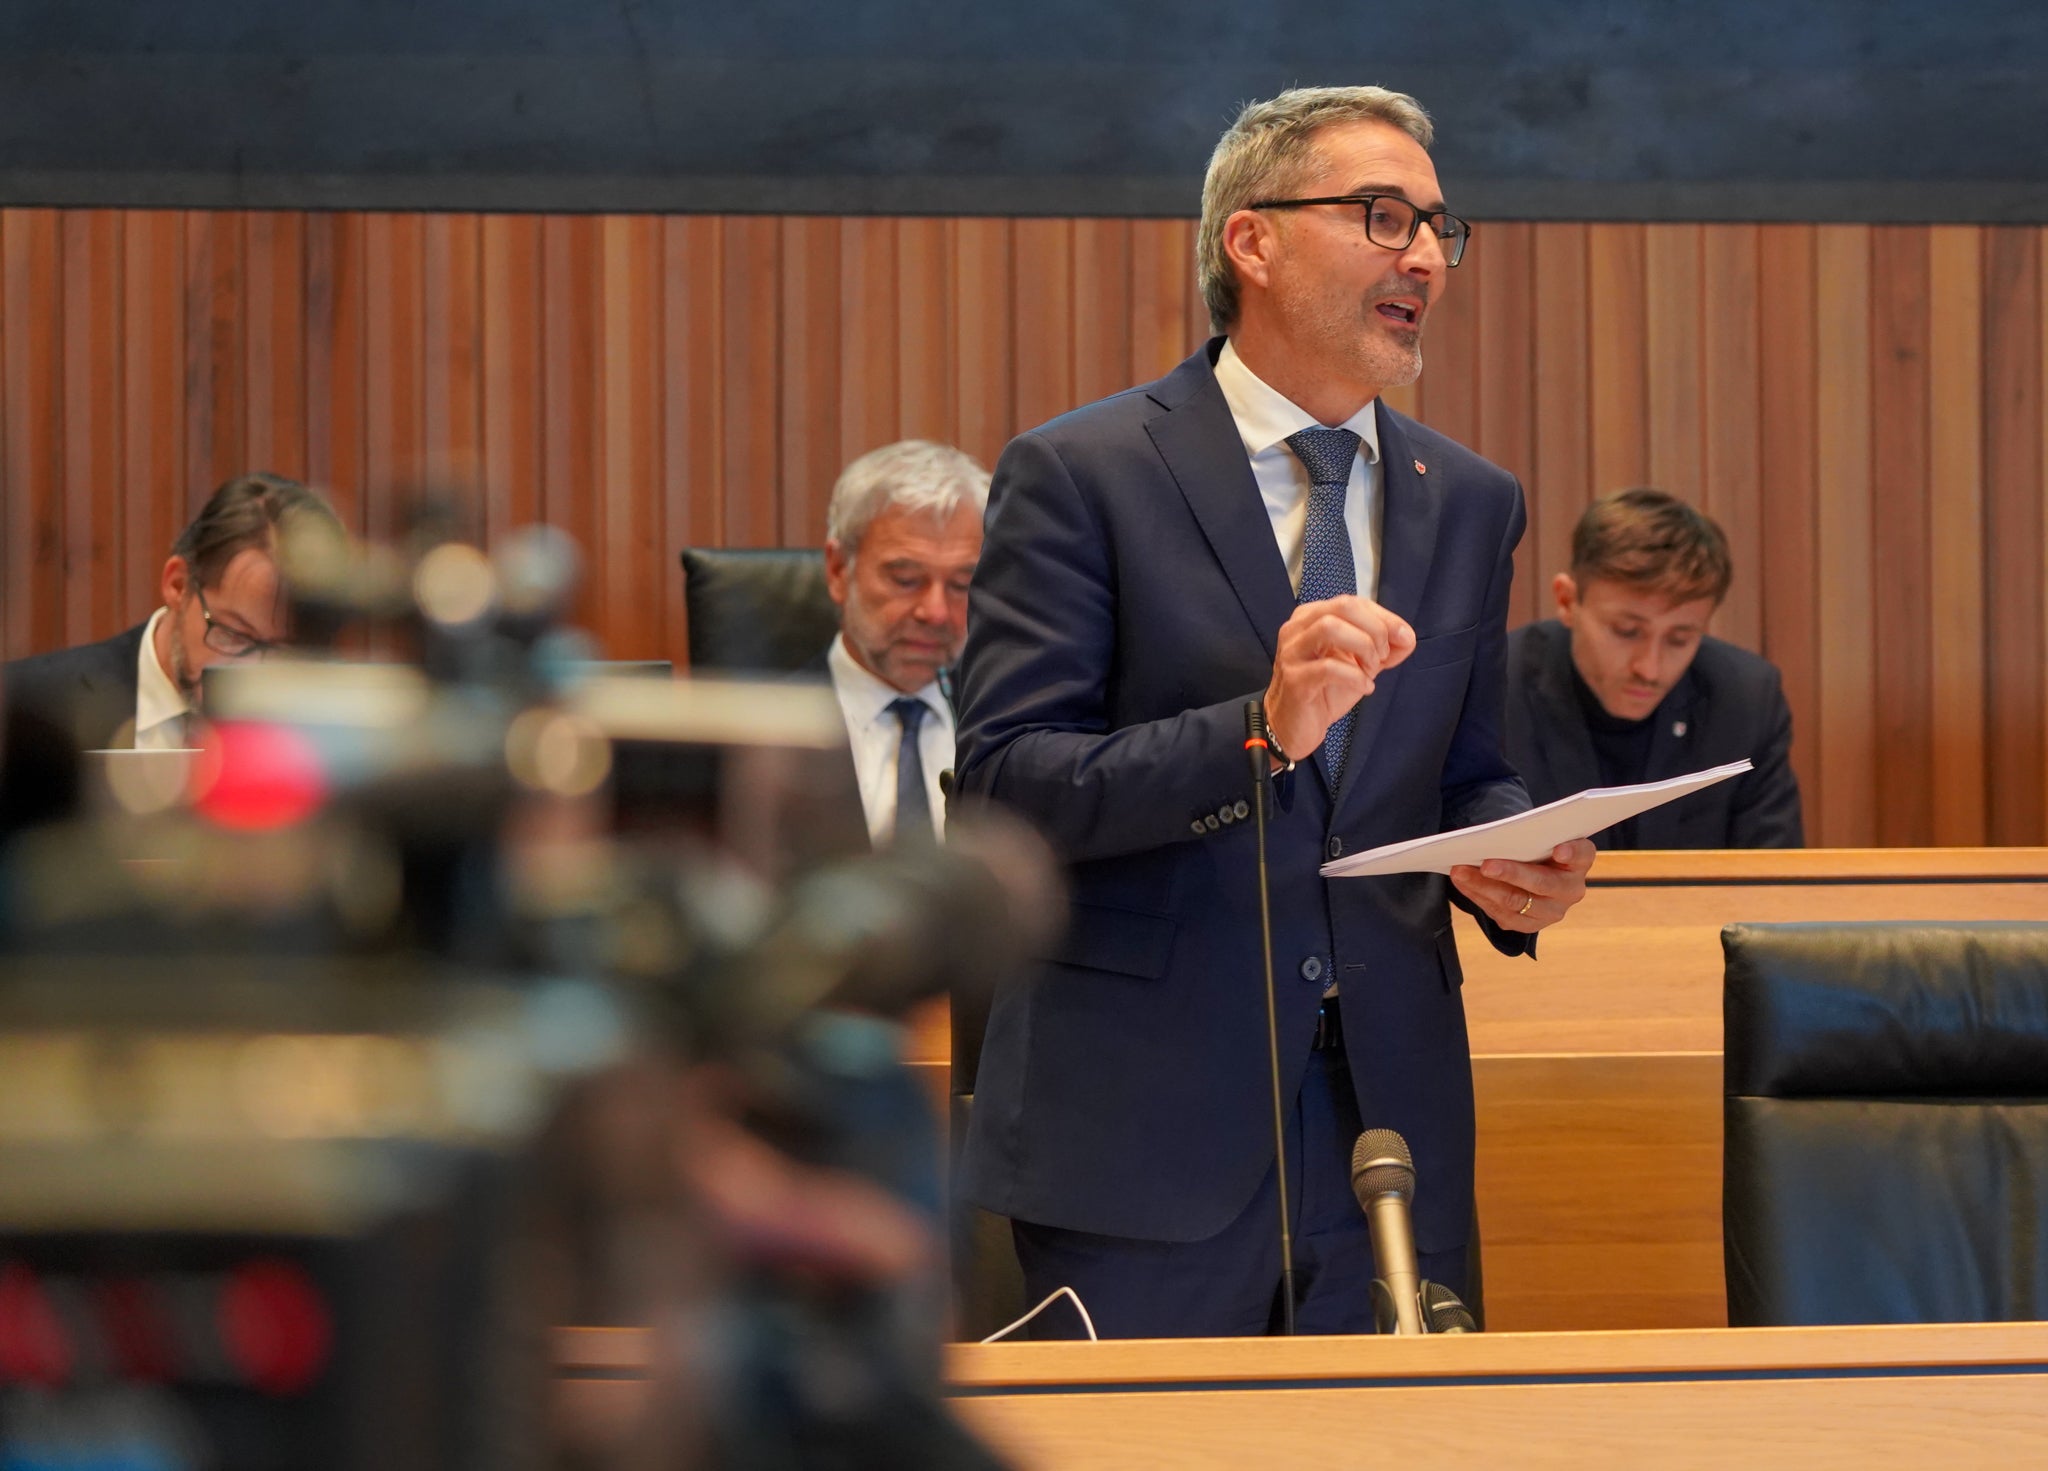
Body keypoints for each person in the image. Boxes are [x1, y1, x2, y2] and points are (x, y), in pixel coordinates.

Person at [952, 85, 1592, 1338]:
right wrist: (1259, 728)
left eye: (1435, 228)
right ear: (1251, 241)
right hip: (1143, 1138)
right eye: (1380, 216)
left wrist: (1513, 849)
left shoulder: (1466, 499)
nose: (1423, 256)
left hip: (1387, 1136)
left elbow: (1462, 770)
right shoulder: (1084, 472)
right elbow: (1004, 786)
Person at [1505, 488, 1804, 848]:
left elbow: (1774, 879)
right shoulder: (1495, 687)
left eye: (1680, 638)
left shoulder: (1746, 699)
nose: (1649, 668)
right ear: (1567, 601)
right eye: (1627, 631)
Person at [2, 472, 342, 752]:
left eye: (284, 650)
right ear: (178, 585)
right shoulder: (24, 707)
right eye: (234, 636)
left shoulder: (334, 733)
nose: (252, 671)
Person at [816, 440, 989, 847]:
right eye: (905, 579)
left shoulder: (1009, 723)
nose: (937, 613)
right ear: (840, 571)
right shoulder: (767, 730)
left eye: (962, 584)